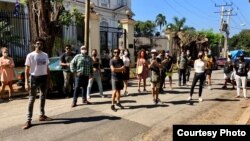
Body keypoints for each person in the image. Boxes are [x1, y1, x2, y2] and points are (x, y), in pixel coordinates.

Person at [22, 38, 51, 129]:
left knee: (43, 97)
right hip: (34, 78)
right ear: (34, 44)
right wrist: (26, 82)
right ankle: (28, 120)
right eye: (37, 43)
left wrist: (50, 80)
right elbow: (26, 70)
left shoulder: (45, 55)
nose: (39, 45)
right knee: (32, 99)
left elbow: (47, 68)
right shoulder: (30, 55)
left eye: (41, 44)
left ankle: (41, 115)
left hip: (44, 78)